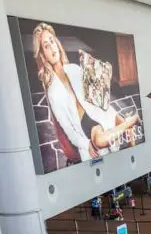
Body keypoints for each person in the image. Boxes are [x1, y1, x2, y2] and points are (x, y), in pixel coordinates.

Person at [32, 22, 140, 162]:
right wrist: (86, 144)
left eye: (52, 41)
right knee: (100, 140)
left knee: (121, 123)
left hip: (97, 110)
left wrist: (103, 75)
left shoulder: (74, 69)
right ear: (43, 56)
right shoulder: (53, 92)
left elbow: (95, 94)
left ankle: (135, 157)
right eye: (46, 46)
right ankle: (130, 122)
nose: (52, 47)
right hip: (84, 123)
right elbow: (67, 128)